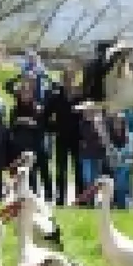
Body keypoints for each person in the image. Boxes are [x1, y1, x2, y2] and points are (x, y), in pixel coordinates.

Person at [44, 69, 82, 205]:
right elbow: (44, 116)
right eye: (66, 79)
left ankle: (80, 200)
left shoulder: (80, 97)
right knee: (61, 169)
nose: (69, 82)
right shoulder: (56, 97)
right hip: (61, 138)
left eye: (71, 79)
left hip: (77, 138)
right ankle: (60, 199)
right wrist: (54, 128)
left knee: (78, 169)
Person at [8, 76, 48, 197]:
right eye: (23, 93)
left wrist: (30, 123)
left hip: (34, 144)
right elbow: (11, 127)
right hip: (20, 144)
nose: (25, 95)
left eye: (28, 92)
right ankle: (22, 195)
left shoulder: (37, 108)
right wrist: (19, 122)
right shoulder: (15, 109)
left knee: (34, 171)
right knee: (21, 171)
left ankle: (40, 195)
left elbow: (42, 126)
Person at [78, 111, 107, 205]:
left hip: (96, 155)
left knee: (94, 179)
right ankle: (89, 200)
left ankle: (92, 200)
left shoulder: (100, 124)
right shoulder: (82, 124)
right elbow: (86, 136)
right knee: (87, 178)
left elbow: (103, 138)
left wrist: (98, 127)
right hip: (86, 155)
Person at [107, 113, 133, 209]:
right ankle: (115, 203)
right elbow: (108, 148)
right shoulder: (110, 135)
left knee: (122, 184)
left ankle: (122, 205)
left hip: (125, 164)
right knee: (114, 185)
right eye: (115, 122)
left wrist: (118, 153)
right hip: (113, 164)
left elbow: (129, 149)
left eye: (119, 122)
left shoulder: (129, 135)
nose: (117, 124)